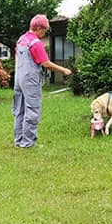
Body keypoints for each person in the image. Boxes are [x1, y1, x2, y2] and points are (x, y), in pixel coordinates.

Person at [12, 14, 72, 148]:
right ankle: (28, 143)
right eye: (44, 30)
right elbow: (46, 63)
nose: (44, 33)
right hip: (30, 81)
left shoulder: (21, 40)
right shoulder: (35, 43)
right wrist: (64, 70)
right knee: (32, 110)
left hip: (18, 79)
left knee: (19, 110)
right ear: (38, 28)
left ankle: (19, 141)